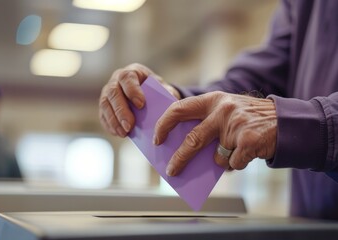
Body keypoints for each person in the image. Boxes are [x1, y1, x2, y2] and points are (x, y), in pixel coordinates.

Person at [99, 0, 338, 220]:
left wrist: (297, 124)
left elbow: (271, 112)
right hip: (311, 224)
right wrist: (175, 103)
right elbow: (262, 78)